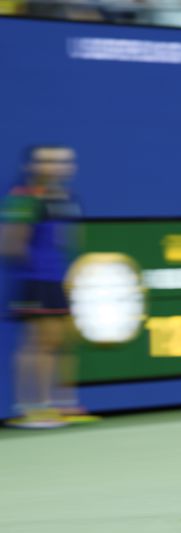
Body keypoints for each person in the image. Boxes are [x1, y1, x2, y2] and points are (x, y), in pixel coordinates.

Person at [0, 145, 95, 428]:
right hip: (34, 282)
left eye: (62, 161)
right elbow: (9, 244)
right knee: (38, 343)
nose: (56, 166)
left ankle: (63, 404)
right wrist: (32, 268)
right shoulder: (23, 198)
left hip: (57, 280)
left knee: (64, 338)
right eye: (48, 161)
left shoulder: (67, 198)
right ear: (33, 167)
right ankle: (32, 408)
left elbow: (69, 239)